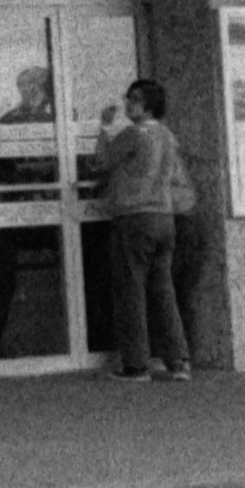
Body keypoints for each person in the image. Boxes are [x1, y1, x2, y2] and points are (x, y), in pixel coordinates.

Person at [93, 79, 196, 381]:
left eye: (134, 99)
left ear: (148, 104)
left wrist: (103, 128)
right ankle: (178, 360)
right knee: (163, 290)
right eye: (128, 98)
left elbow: (102, 161)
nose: (128, 104)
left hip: (135, 217)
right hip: (165, 217)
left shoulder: (132, 134)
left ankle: (136, 365)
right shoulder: (167, 136)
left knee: (131, 290)